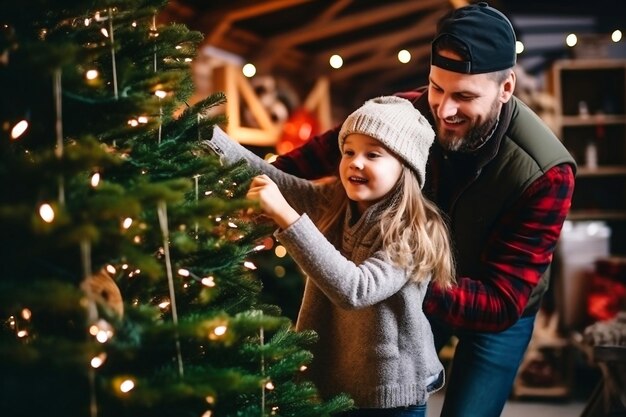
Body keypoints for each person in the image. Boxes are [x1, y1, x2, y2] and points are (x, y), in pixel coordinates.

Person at [270, 3, 576, 417]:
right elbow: (317, 156)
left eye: (465, 96)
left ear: (506, 89)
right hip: (411, 270)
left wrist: (402, 282)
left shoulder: (546, 175)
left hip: (490, 304)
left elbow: (502, 302)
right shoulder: (405, 112)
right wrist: (262, 185)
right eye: (437, 88)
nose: (443, 110)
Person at [203, 96, 456, 417]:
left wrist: (286, 216)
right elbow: (274, 178)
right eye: (349, 151)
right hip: (334, 383)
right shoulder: (333, 202)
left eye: (372, 154)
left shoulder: (412, 231)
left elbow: (355, 289)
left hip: (391, 396)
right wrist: (207, 135)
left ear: (405, 167)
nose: (355, 162)